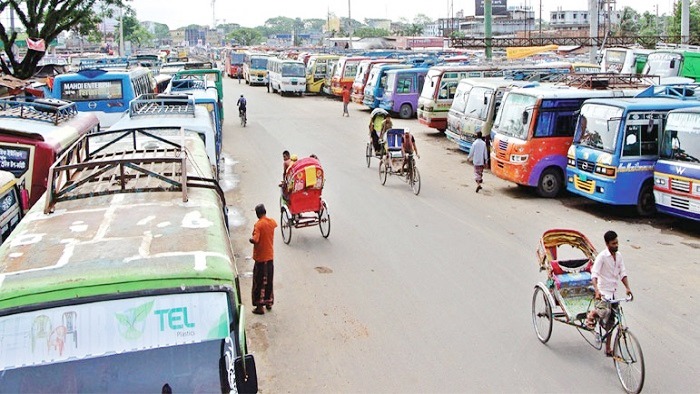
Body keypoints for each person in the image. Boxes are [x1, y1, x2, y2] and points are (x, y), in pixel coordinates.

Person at [585, 230, 633, 357]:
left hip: (614, 293)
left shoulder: (619, 256)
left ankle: (608, 348)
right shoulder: (602, 257)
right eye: (613, 243)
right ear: (607, 244)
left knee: (612, 322)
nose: (616, 245)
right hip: (603, 292)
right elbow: (594, 275)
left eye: (617, 242)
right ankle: (592, 314)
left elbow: (622, 273)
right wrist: (597, 291)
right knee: (604, 311)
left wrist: (627, 288)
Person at [249, 204, 277, 315]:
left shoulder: (258, 225)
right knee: (269, 280)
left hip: (261, 258)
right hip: (270, 257)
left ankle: (260, 307)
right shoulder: (271, 222)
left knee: (259, 282)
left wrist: (251, 239)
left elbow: (256, 239)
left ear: (257, 214)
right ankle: (269, 302)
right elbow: (275, 224)